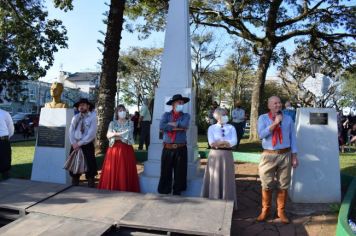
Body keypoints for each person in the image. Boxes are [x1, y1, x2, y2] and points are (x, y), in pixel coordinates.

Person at [256, 96, 298, 224]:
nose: (278, 105)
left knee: (283, 184)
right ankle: (265, 210)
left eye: (279, 103)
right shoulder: (262, 118)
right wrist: (275, 124)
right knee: (266, 183)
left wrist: (294, 156)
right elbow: (261, 135)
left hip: (285, 154)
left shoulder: (289, 118)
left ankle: (281, 211)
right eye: (275, 103)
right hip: (268, 155)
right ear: (269, 105)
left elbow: (293, 138)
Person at [98, 105, 140, 192]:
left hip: (126, 150)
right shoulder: (112, 123)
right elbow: (108, 135)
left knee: (124, 171)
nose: (122, 112)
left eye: (123, 110)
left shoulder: (130, 123)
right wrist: (119, 134)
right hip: (113, 150)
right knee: (112, 171)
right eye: (120, 110)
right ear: (117, 113)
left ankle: (124, 188)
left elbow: (128, 136)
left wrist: (115, 134)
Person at [201, 107, 237, 208]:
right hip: (215, 156)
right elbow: (211, 142)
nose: (226, 116)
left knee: (227, 178)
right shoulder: (211, 128)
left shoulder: (231, 127)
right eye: (224, 115)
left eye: (226, 114)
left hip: (227, 155)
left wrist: (223, 143)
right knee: (214, 177)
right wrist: (225, 143)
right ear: (218, 117)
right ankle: (213, 199)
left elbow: (234, 141)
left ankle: (228, 202)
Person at [158, 94, 190, 195]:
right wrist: (178, 127)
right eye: (179, 103)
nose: (181, 104)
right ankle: (164, 191)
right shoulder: (165, 115)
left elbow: (184, 124)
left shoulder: (186, 116)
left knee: (180, 172)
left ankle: (177, 191)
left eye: (182, 103)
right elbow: (161, 126)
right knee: (165, 171)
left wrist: (170, 125)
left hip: (181, 148)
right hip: (167, 148)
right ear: (173, 104)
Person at [68, 98, 98, 187]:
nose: (81, 107)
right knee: (74, 163)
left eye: (83, 105)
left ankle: (90, 181)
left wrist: (80, 143)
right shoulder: (75, 117)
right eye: (79, 105)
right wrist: (73, 143)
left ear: (88, 106)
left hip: (86, 144)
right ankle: (75, 180)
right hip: (75, 144)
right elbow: (71, 131)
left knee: (90, 163)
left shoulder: (93, 117)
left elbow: (91, 133)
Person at [0, 108, 14, 180]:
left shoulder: (5, 113)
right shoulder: (5, 113)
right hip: (3, 141)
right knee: (5, 166)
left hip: (3, 143)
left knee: (5, 166)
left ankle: (8, 186)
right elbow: (10, 130)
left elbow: (11, 129)